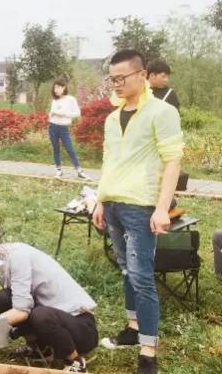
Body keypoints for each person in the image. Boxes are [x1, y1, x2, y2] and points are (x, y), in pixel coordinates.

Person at [92, 49, 184, 374]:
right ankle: (133, 329)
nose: (116, 84)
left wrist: (162, 208)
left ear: (141, 75)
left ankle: (148, 352)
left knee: (143, 277)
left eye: (122, 78)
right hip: (114, 205)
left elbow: (173, 160)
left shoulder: (161, 112)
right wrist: (101, 200)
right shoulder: (111, 118)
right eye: (112, 79)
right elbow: (109, 161)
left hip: (141, 207)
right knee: (126, 271)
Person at [0, 243, 98, 372]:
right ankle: (39, 348)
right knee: (4, 298)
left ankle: (76, 363)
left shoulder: (18, 258)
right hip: (55, 316)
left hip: (82, 328)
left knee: (40, 315)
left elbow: (21, 312)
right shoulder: (4, 258)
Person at [48, 79, 90, 180]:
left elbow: (77, 113)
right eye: (54, 87)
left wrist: (64, 114)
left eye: (58, 87)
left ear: (64, 87)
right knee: (56, 149)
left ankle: (79, 171)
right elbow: (52, 112)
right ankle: (59, 171)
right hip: (53, 127)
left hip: (63, 128)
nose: (56, 89)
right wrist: (50, 115)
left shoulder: (70, 99)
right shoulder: (55, 100)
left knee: (70, 149)